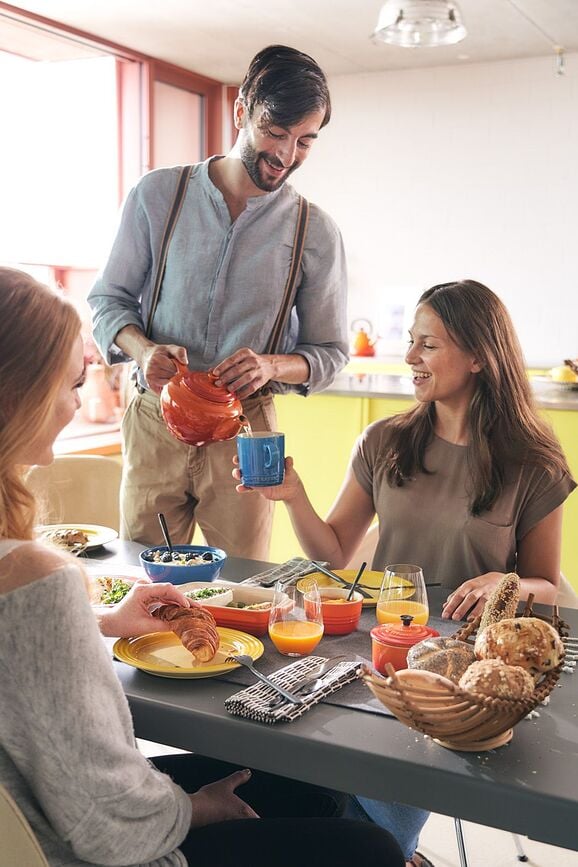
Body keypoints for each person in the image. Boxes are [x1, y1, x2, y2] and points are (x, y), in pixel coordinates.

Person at [0, 267, 404, 867]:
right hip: (85, 851)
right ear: (19, 394)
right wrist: (195, 806)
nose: (78, 403)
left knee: (307, 790)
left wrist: (103, 621)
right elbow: (108, 824)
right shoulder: (36, 576)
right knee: (367, 847)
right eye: (72, 385)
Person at [234, 278, 576, 867]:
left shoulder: (534, 463)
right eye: (410, 342)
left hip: (466, 666)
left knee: (385, 767)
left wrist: (510, 582)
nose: (411, 358)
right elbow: (335, 552)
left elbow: (550, 586)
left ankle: (386, 849)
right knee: (296, 745)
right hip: (383, 646)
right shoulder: (384, 441)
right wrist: (294, 497)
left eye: (429, 345)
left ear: (477, 356)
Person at [88, 44, 348, 559]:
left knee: (244, 586)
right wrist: (143, 351)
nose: (286, 155)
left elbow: (331, 352)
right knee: (146, 578)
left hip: (247, 433)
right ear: (240, 112)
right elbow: (108, 301)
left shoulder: (314, 231)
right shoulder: (157, 195)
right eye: (275, 132)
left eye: (304, 142)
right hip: (154, 419)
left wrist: (270, 364)